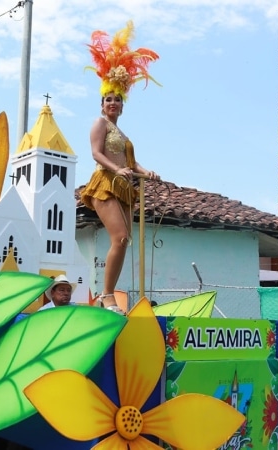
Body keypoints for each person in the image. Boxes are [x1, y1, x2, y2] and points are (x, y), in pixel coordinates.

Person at [80, 21, 160, 313]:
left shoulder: (124, 135)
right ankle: (106, 294)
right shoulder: (99, 123)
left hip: (125, 187)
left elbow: (130, 162)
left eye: (117, 99)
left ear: (122, 105)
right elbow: (96, 153)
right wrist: (118, 171)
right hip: (105, 184)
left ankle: (110, 294)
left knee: (125, 241)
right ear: (102, 105)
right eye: (108, 99)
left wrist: (144, 170)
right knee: (121, 237)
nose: (113, 103)